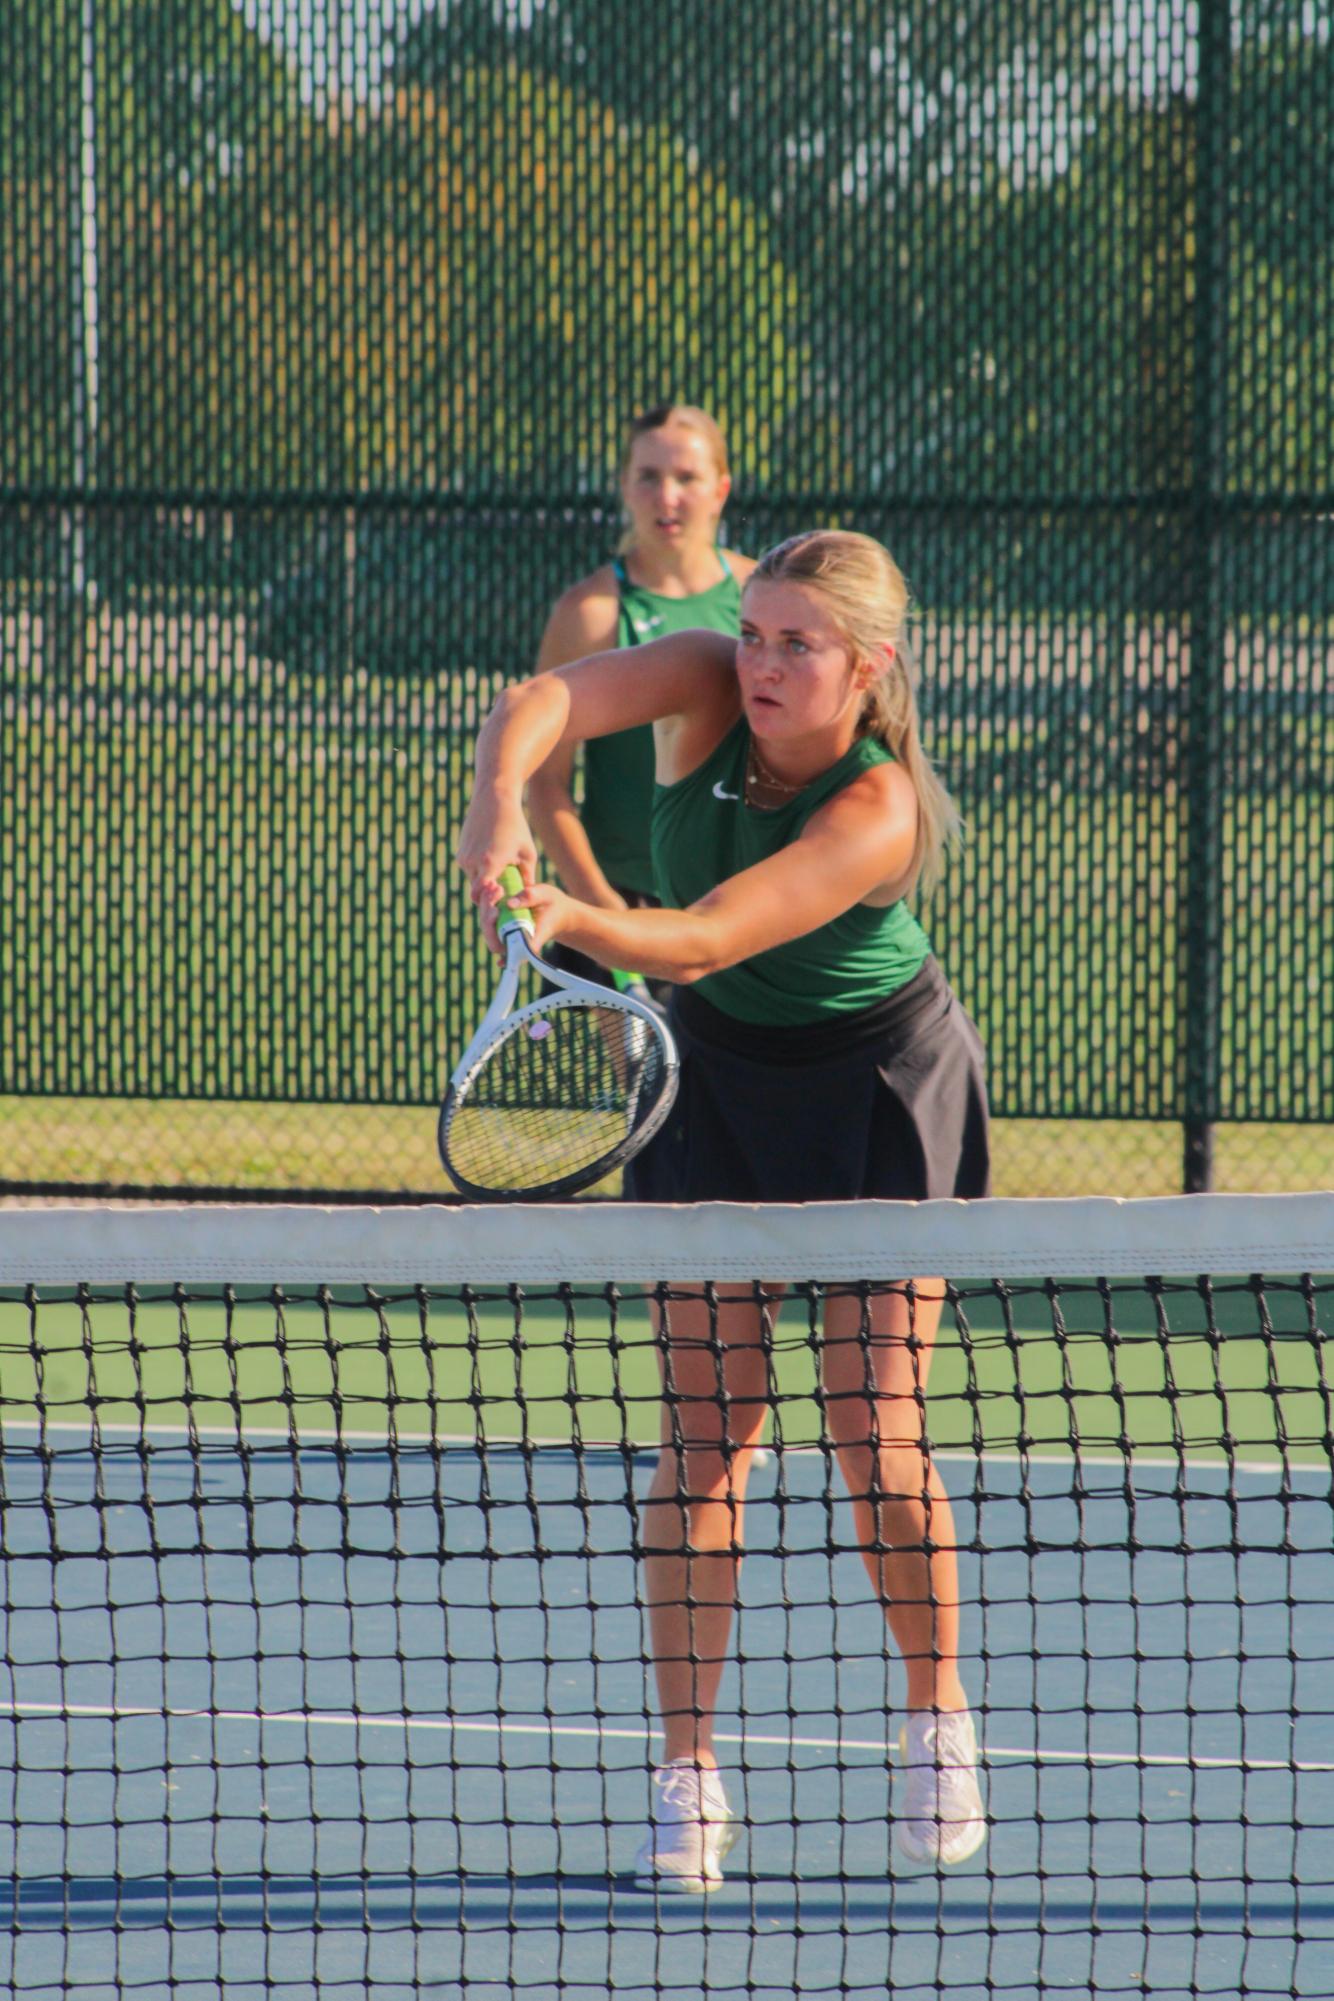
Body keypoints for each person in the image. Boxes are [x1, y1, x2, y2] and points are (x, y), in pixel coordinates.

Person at [456, 529, 990, 1890]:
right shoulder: (701, 676)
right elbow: (545, 701)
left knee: (872, 1424)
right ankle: (687, 1772)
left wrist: (567, 917)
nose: (757, 661)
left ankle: (937, 1714)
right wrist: (496, 806)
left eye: (795, 644)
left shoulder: (877, 810)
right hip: (720, 1082)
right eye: (752, 633)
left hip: (878, 1082)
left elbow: (705, 935)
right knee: (705, 1436)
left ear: (867, 670)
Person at [526, 403, 754, 991]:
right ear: (625, 486)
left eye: (686, 478)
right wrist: (600, 906)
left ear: (721, 489)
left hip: (741, 910)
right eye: (649, 477)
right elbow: (546, 781)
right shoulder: (590, 613)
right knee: (644, 1088)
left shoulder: (763, 596)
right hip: (623, 908)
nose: (666, 497)